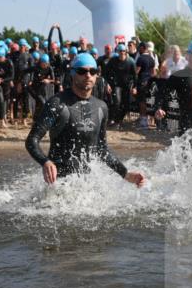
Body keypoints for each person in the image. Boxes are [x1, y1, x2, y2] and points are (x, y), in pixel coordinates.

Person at [26, 53, 147, 187]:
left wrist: (126, 174)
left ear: (97, 75)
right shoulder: (57, 103)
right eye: (82, 71)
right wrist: (45, 162)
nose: (88, 75)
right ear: (72, 74)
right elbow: (32, 140)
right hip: (60, 185)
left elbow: (101, 150)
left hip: (86, 187)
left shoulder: (101, 107)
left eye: (92, 71)